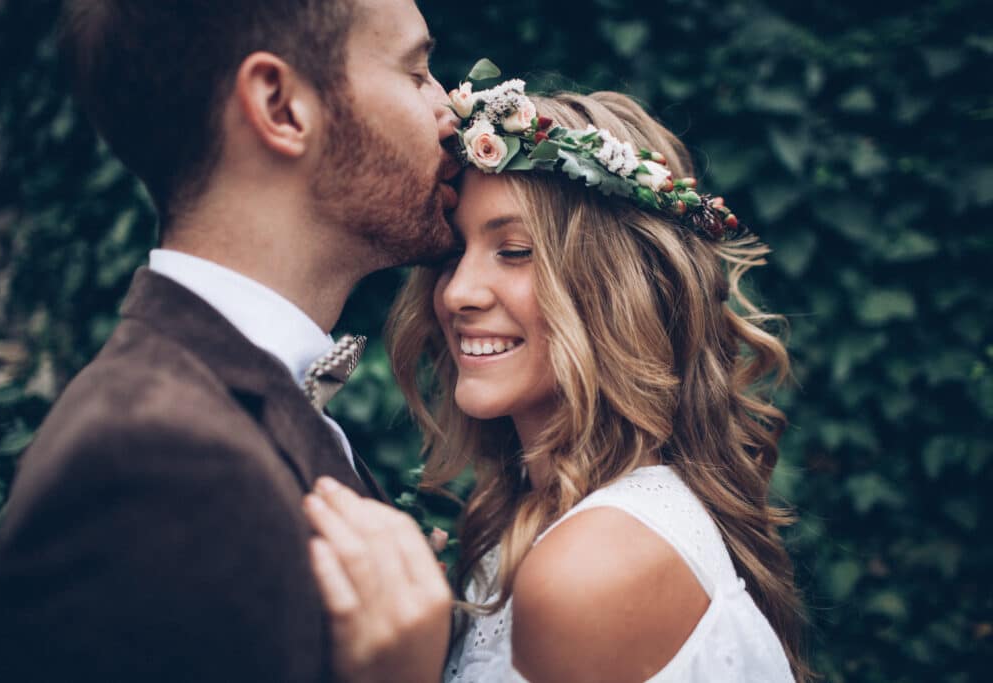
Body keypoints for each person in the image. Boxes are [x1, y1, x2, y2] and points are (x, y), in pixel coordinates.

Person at [0, 1, 460, 681]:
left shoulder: (219, 406)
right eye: (417, 73)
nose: (451, 110)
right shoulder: (151, 461)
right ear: (280, 105)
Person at [302, 77, 808, 682]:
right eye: (450, 255)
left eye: (514, 251)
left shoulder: (592, 566)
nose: (457, 293)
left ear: (618, 288)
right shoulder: (541, 522)